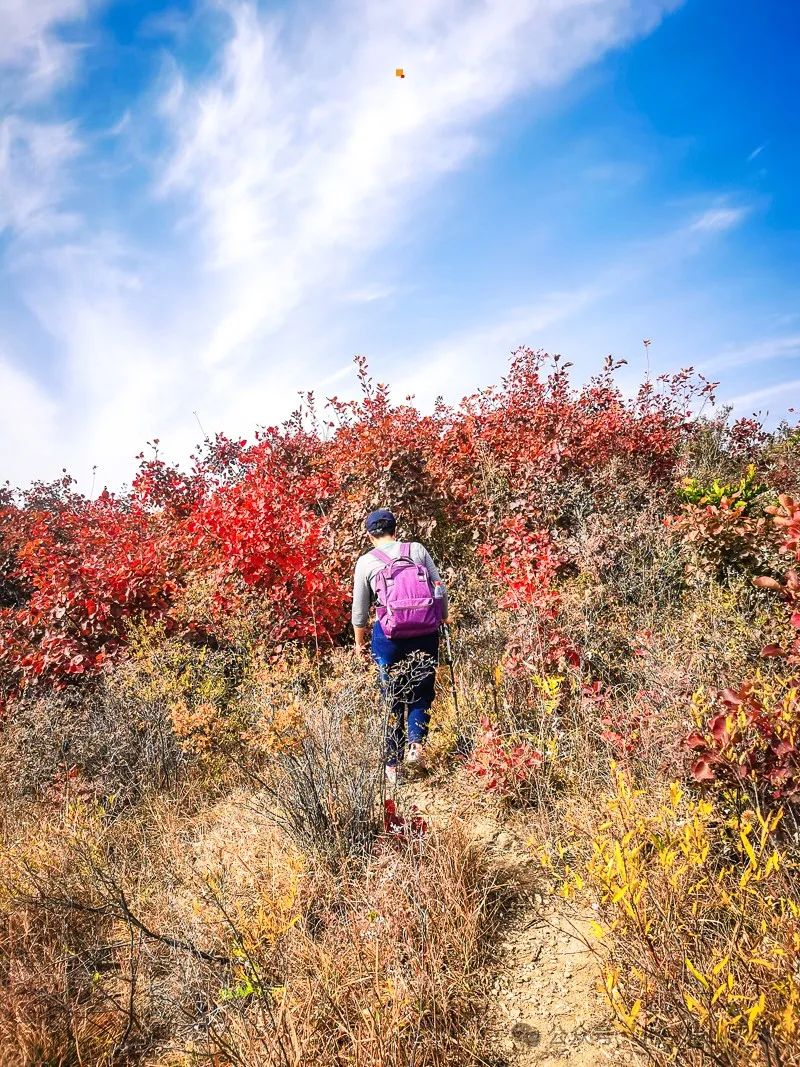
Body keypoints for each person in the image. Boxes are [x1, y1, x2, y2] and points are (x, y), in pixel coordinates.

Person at [352, 508, 449, 784]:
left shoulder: (366, 562)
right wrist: (442, 615)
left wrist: (360, 644)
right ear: (395, 528)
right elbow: (439, 587)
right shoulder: (416, 550)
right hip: (425, 632)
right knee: (422, 691)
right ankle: (416, 748)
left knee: (392, 698)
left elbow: (359, 612)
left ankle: (392, 767)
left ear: (369, 534)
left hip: (389, 638)